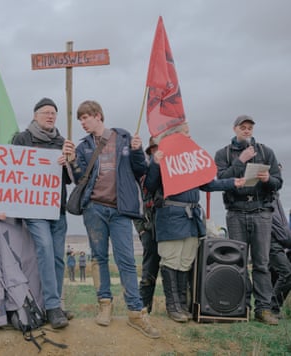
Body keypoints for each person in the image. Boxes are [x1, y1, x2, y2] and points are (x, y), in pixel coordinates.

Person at [62, 99, 160, 339]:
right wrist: (72, 160)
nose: (82, 123)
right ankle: (104, 304)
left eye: (85, 118)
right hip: (94, 208)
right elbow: (79, 180)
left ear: (98, 115)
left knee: (126, 259)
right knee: (98, 258)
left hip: (120, 210)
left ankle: (136, 312)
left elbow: (140, 170)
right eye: (80, 119)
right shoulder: (84, 146)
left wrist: (137, 150)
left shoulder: (123, 137)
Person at [145, 122, 245, 323]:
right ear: (175, 136)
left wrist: (233, 182)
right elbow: (150, 185)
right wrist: (155, 164)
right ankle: (172, 306)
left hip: (191, 219)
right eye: (186, 133)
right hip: (171, 215)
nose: (189, 137)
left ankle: (182, 304)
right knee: (171, 261)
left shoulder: (189, 160)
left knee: (185, 263)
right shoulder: (163, 157)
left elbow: (208, 184)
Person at [214, 114, 282, 325]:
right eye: (242, 127)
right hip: (236, 212)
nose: (246, 130)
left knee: (261, 263)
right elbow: (221, 178)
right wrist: (240, 161)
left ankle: (263, 309)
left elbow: (278, 182)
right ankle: (240, 307)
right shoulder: (223, 153)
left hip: (261, 212)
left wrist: (268, 179)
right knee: (238, 262)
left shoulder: (266, 152)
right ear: (235, 129)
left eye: (249, 128)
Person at [12, 98, 72, 329]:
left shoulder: (62, 142)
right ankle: (53, 307)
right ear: (35, 115)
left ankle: (53, 306)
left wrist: (68, 162)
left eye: (54, 113)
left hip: (58, 208)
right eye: (46, 112)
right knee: (45, 250)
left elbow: (70, 179)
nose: (50, 116)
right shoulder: (22, 139)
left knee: (57, 257)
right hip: (34, 209)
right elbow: (11, 172)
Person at [132, 137, 159, 314]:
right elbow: (135, 204)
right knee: (149, 270)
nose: (157, 152)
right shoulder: (142, 174)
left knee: (176, 269)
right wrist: (141, 230)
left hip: (170, 225)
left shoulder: (173, 171)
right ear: (149, 152)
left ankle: (181, 306)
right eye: (154, 149)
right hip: (149, 227)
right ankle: (143, 308)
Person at [268, 192, 291, 318]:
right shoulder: (269, 197)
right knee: (286, 273)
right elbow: (279, 227)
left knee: (274, 273)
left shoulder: (275, 197)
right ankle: (273, 308)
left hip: (277, 241)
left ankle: (269, 306)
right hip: (272, 241)